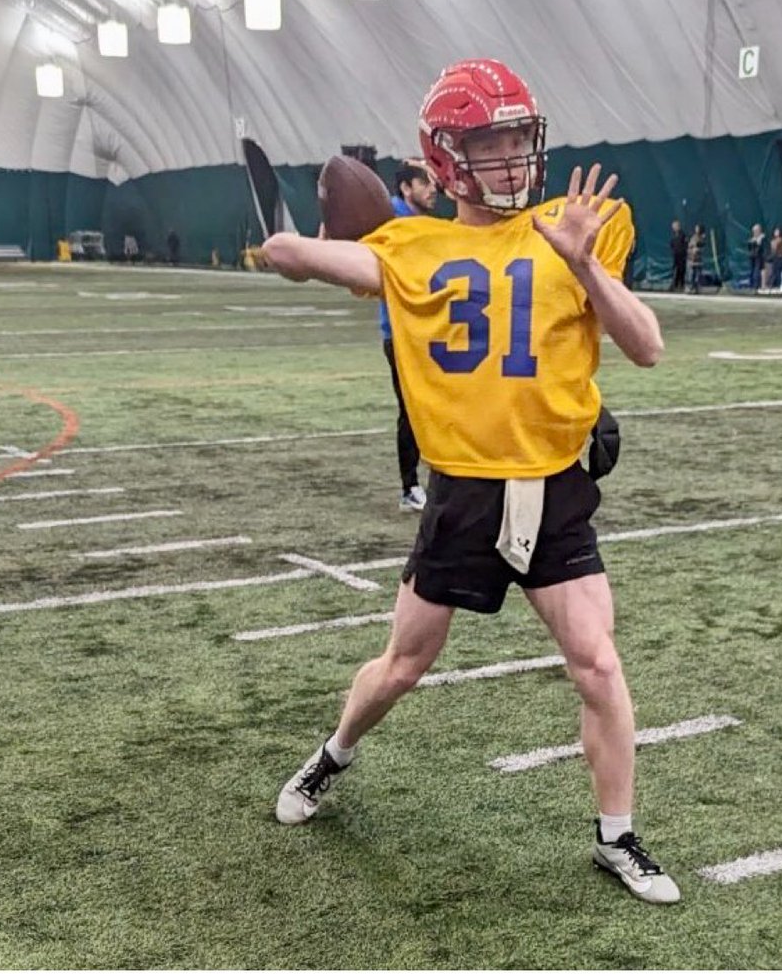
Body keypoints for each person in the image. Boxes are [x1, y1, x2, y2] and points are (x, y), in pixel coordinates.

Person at [261, 58, 679, 904]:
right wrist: (287, 247)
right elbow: (311, 258)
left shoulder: (578, 226)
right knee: (406, 663)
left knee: (599, 665)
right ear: (448, 156)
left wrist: (587, 266)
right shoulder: (410, 247)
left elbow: (646, 346)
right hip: (465, 494)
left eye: (520, 138)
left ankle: (617, 835)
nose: (512, 158)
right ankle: (331, 755)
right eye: (491, 142)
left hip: (555, 487)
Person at [380, 163, 437, 512]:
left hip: (429, 330)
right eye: (424, 182)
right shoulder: (389, 216)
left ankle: (436, 482)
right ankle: (410, 487)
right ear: (405, 188)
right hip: (402, 332)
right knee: (412, 411)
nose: (433, 188)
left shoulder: (423, 223)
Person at [669, 220, 687, 291]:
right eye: (673, 227)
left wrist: (683, 251)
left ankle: (681, 285)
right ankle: (675, 285)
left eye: (675, 226)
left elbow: (685, 245)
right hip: (675, 256)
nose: (674, 228)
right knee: (675, 270)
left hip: (682, 256)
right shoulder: (673, 236)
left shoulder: (683, 235)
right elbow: (672, 244)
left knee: (681, 270)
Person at [686, 223, 705, 293]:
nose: (696, 229)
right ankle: (690, 287)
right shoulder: (693, 237)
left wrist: (697, 248)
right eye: (696, 228)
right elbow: (690, 246)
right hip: (691, 259)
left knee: (697, 274)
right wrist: (691, 249)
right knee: (691, 274)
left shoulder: (702, 238)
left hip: (698, 260)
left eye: (698, 228)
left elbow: (701, 247)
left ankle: (697, 288)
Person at [746, 224, 766, 291]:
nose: (755, 232)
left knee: (757, 271)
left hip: (759, 258)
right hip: (753, 258)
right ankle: (752, 285)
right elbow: (749, 247)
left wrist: (757, 242)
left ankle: (757, 285)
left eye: (756, 230)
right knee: (752, 271)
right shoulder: (752, 239)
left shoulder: (762, 238)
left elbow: (761, 247)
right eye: (754, 231)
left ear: (759, 230)